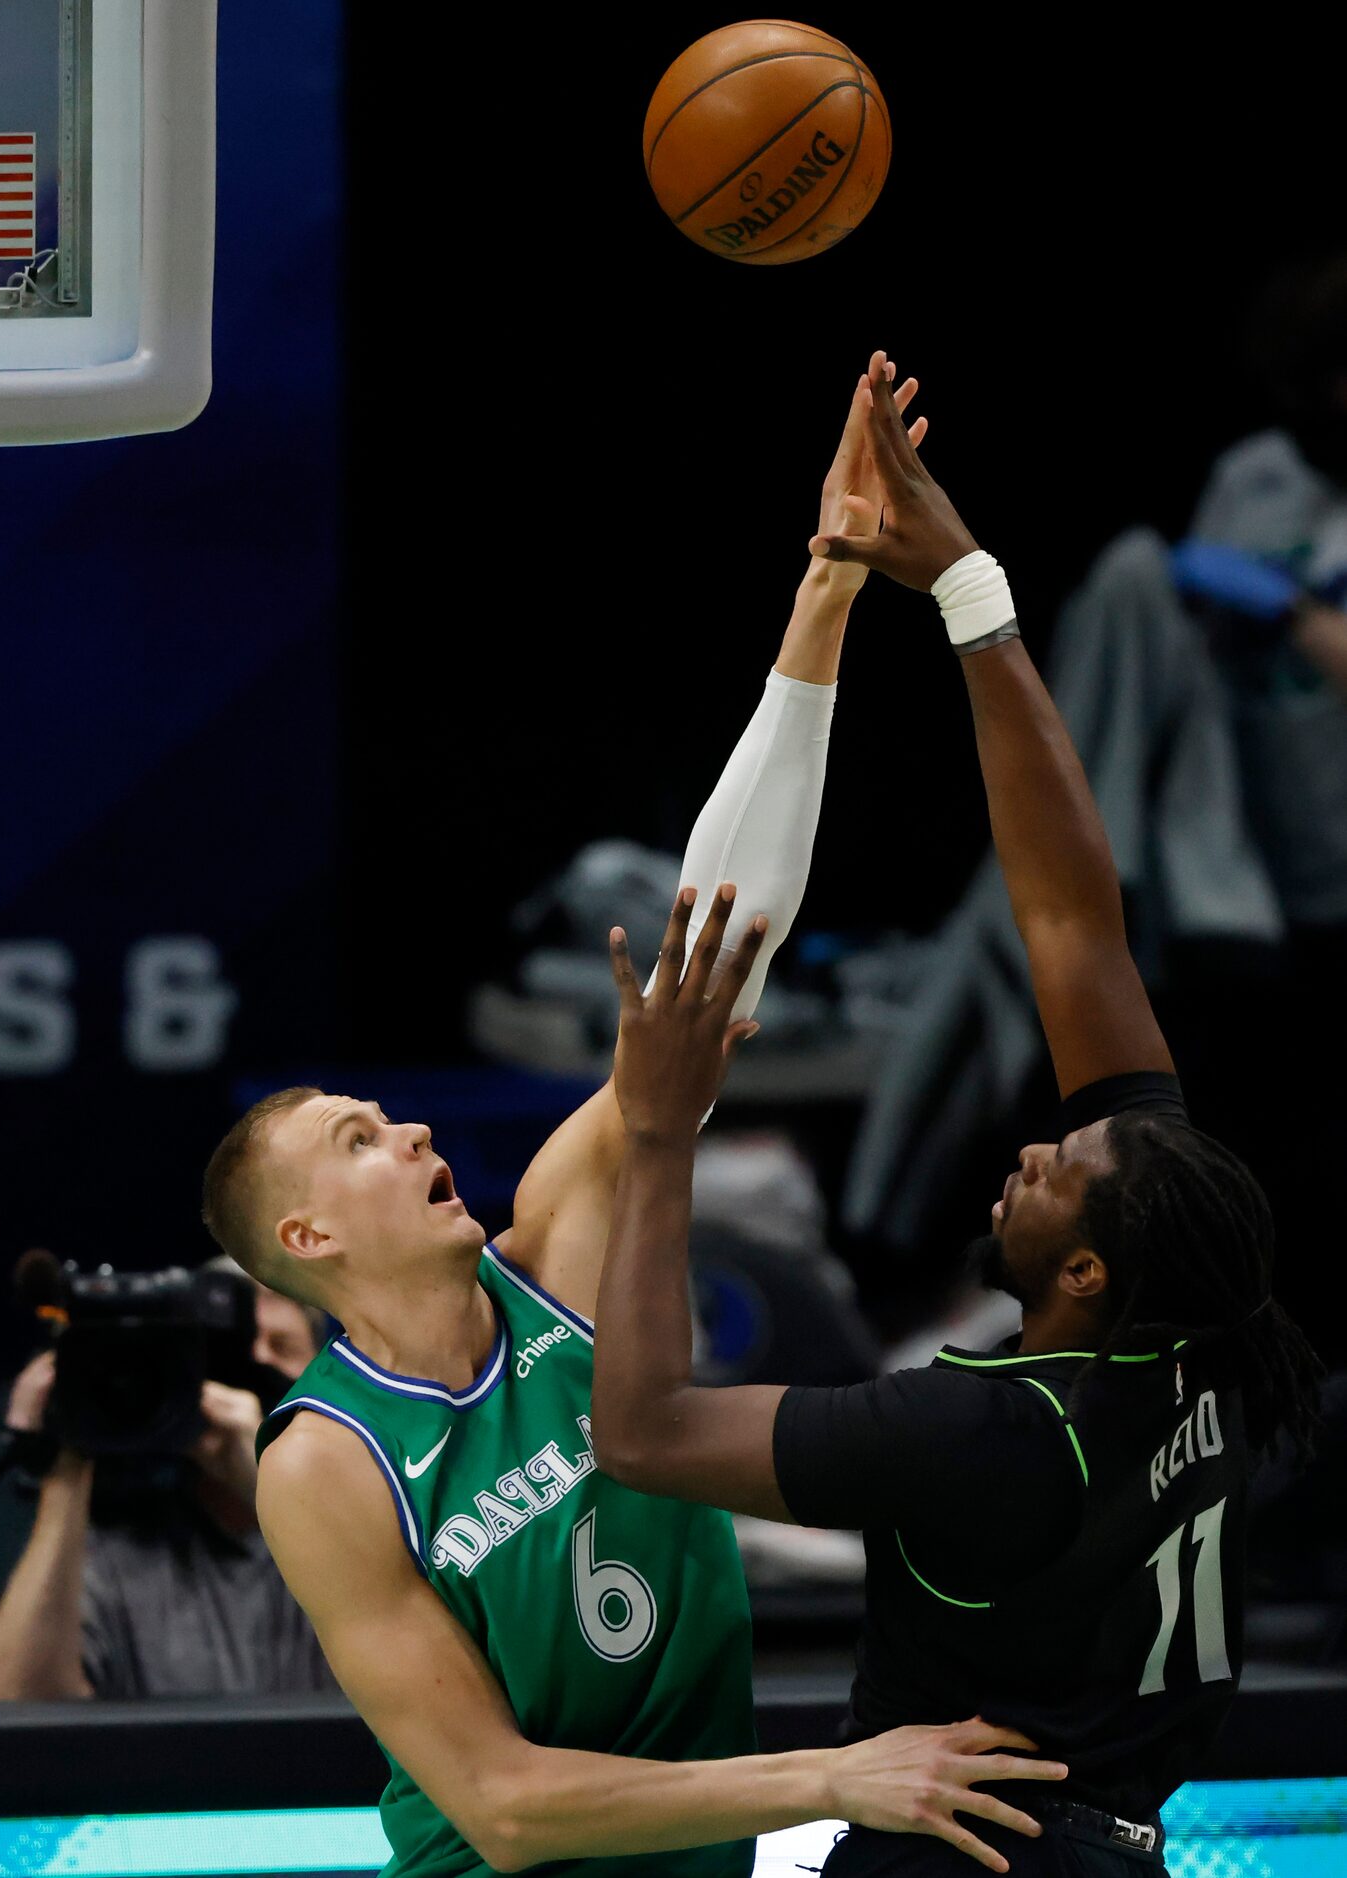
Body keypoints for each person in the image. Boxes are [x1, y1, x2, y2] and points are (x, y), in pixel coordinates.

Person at [203, 376, 1067, 1878]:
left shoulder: (550, 1257)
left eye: (382, 1114)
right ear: (306, 1237)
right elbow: (505, 1805)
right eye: (354, 1137)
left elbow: (714, 949)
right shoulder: (327, 1463)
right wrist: (829, 1777)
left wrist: (826, 587)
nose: (404, 1129)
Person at [587, 352, 1326, 1878]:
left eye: (1054, 1172)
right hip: (1096, 1846)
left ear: (1080, 1279)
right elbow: (1071, 929)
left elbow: (643, 1433)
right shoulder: (1194, 1329)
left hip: (964, 1854)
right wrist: (968, 591)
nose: (1031, 1149)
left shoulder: (994, 1432)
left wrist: (656, 1132)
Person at [0, 1267, 337, 1700]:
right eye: (226, 1352)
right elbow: (7, 1710)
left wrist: (266, 1482)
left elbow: (416, 1666)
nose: (253, 1367)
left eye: (280, 1346)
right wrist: (67, 1457)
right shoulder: (115, 1560)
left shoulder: (375, 1527)